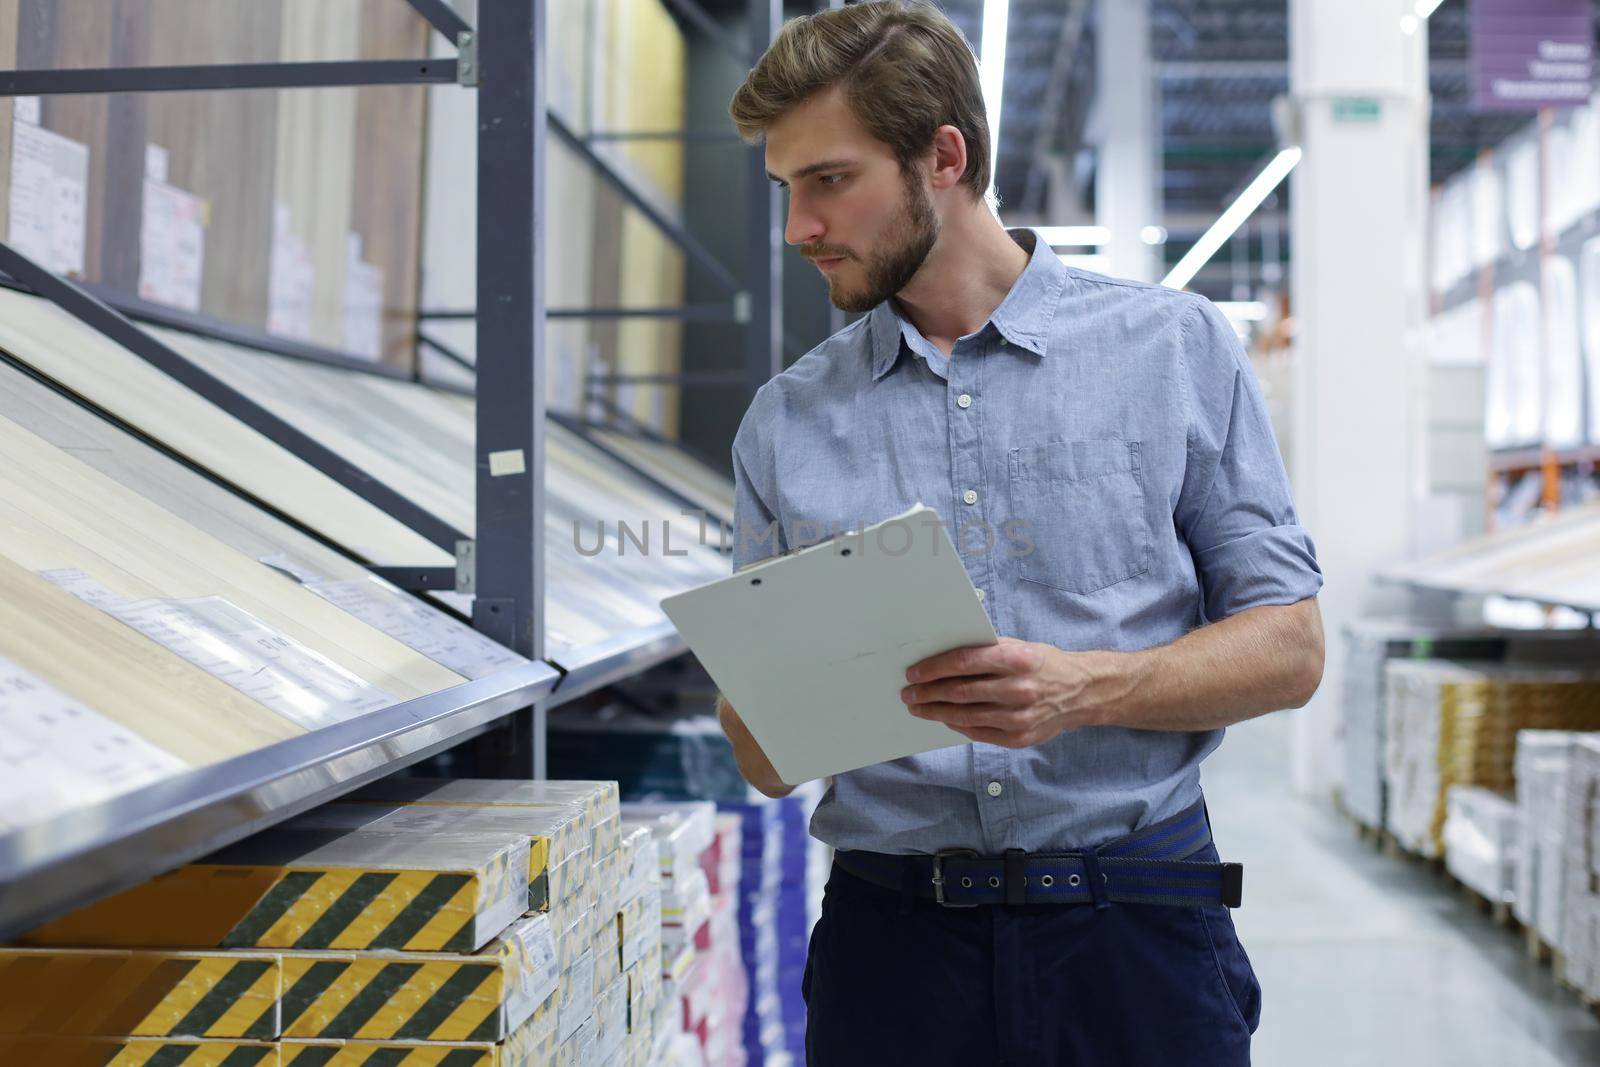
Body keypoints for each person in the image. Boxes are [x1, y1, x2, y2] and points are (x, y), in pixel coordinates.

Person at [716, 2, 1324, 1063]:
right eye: (786, 189)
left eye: (828, 180)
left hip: (1137, 931)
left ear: (941, 157)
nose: (796, 227)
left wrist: (1085, 686)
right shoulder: (786, 421)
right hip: (891, 953)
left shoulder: (1169, 352)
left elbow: (1289, 646)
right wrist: (791, 695)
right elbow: (760, 756)